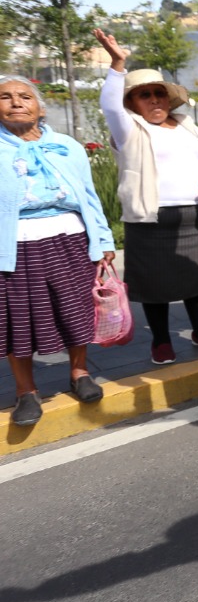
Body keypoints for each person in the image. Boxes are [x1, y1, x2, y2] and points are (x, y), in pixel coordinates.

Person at [94, 29, 198, 365]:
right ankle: (162, 341)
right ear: (132, 103)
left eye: (159, 93)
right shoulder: (129, 129)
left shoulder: (186, 125)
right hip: (150, 220)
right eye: (144, 95)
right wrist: (117, 64)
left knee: (196, 279)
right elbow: (109, 105)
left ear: (169, 98)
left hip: (194, 216)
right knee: (154, 286)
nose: (154, 99)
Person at [1, 75, 116, 426]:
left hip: (70, 239)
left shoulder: (67, 146)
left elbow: (89, 198)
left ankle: (79, 373)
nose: (16, 102)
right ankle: (26, 391)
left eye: (24, 96)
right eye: (5, 97)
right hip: (13, 247)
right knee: (16, 320)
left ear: (41, 108)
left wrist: (104, 241)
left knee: (75, 309)